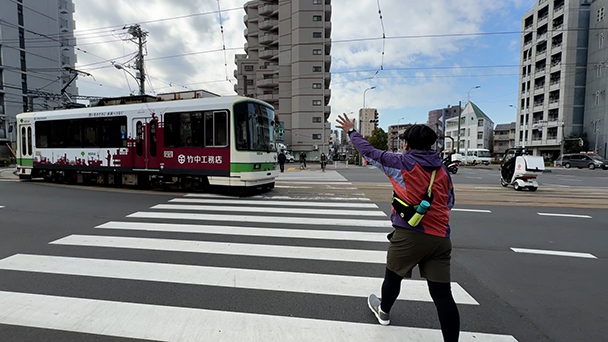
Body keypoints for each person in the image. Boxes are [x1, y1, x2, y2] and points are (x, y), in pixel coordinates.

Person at [336, 113, 460, 342]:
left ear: (407, 144)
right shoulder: (441, 170)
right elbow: (449, 201)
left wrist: (352, 131)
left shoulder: (401, 163)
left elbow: (369, 153)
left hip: (409, 236)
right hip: (441, 239)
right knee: (443, 295)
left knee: (393, 277)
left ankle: (383, 312)